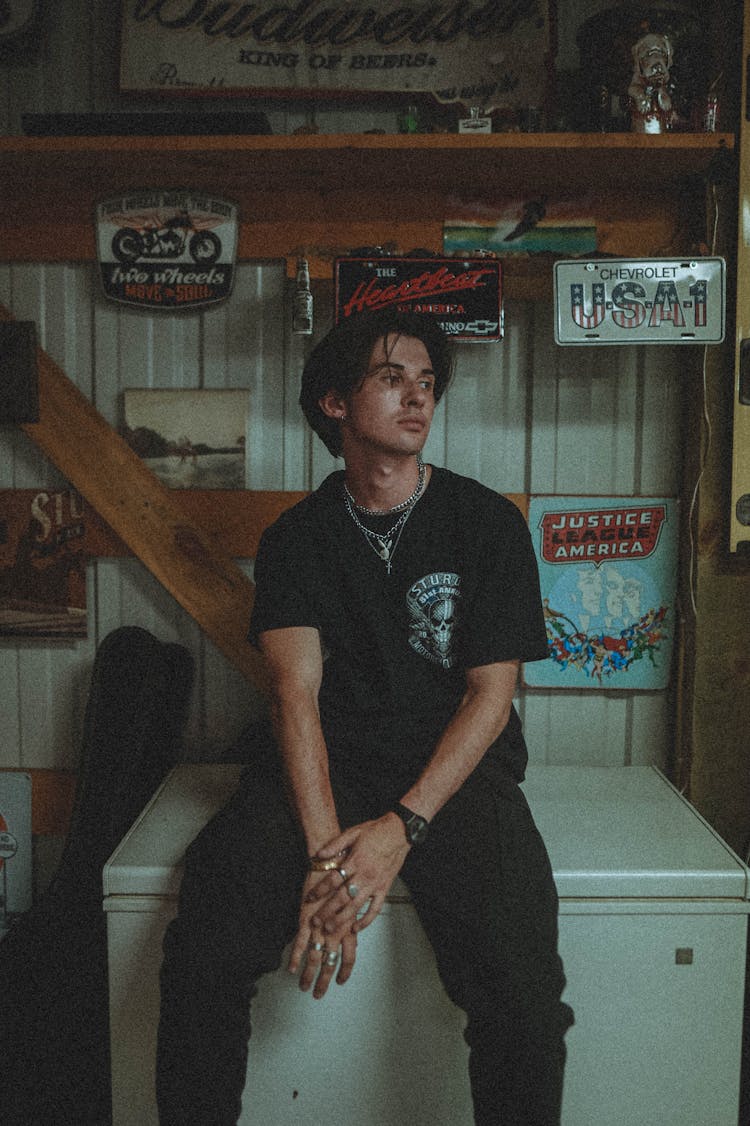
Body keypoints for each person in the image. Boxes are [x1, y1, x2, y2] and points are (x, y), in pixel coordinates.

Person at [156, 309, 574, 1126]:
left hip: (452, 774)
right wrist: (327, 863)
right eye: (392, 378)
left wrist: (400, 829)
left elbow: (491, 697)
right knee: (202, 950)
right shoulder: (298, 539)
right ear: (335, 403)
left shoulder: (486, 524)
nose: (418, 397)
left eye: (427, 382)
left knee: (525, 1000)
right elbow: (294, 698)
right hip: (324, 768)